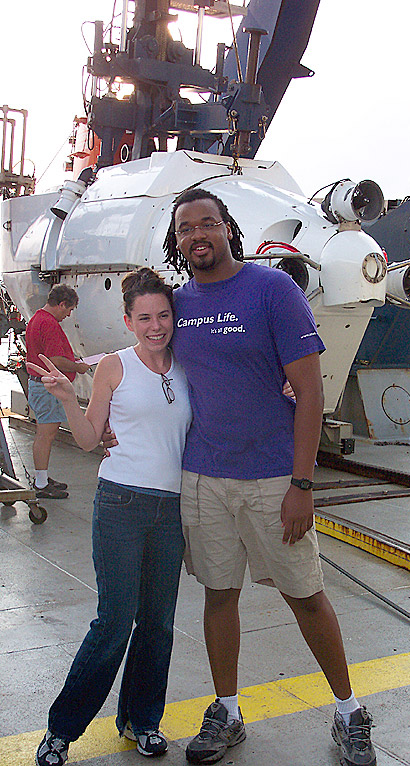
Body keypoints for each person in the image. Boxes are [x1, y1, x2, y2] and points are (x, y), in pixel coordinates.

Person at [162, 188, 377, 766]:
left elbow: (311, 392)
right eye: (186, 229)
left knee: (306, 596)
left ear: (228, 230)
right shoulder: (177, 305)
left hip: (273, 478)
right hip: (204, 477)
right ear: (177, 241)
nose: (197, 235)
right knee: (218, 594)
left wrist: (302, 484)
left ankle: (349, 710)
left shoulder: (273, 289)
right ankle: (227, 711)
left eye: (208, 224)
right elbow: (149, 370)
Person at [29, 268, 192, 765]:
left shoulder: (189, 365)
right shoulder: (114, 368)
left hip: (171, 510)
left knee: (158, 624)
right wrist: (64, 400)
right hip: (120, 503)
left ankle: (141, 721)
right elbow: (86, 437)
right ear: (128, 321)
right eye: (144, 317)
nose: (155, 325)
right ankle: (62, 730)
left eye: (163, 315)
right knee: (115, 621)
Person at [25, 284, 90, 499]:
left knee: (46, 433)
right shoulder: (49, 323)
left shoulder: (37, 318)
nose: (68, 315)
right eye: (68, 309)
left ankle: (42, 477)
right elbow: (56, 360)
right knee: (46, 434)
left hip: (39, 383)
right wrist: (78, 367)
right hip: (47, 386)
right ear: (61, 304)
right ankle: (41, 484)